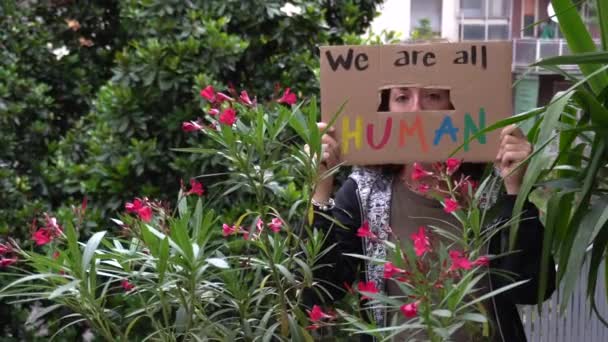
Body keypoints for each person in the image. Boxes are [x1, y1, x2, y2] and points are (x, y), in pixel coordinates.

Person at [306, 86, 556, 341]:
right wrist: (319, 193)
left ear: (453, 106)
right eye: (402, 97)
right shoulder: (362, 193)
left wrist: (516, 193)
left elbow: (533, 291)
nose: (417, 109)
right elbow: (321, 290)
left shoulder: (494, 186)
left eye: (433, 96)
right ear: (386, 110)